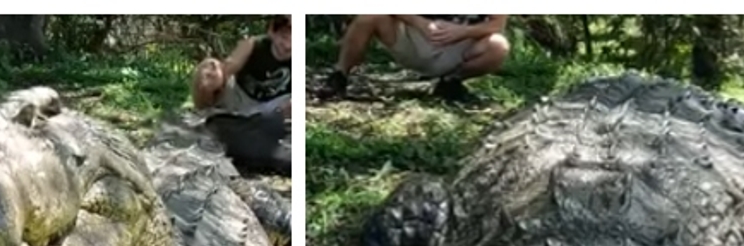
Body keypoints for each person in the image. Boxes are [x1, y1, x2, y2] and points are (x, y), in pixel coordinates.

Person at [317, 15, 510, 102]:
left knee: (498, 45)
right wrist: (420, 23)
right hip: (414, 39)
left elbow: (497, 24)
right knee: (370, 16)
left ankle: (452, 82)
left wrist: (463, 31)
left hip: (459, 46)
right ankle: (339, 75)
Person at [192, 15, 292, 117]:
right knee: (210, 69)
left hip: (267, 111)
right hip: (237, 98)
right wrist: (214, 81)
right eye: (284, 37)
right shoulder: (254, 44)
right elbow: (227, 68)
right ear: (272, 32)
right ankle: (203, 115)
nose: (288, 45)